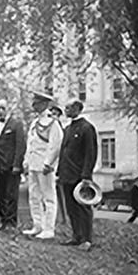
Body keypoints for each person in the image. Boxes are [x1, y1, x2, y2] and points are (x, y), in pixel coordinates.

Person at [56, 100, 98, 250]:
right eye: (65, 107)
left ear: (78, 109)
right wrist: (59, 172)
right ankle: (76, 236)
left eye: (69, 107)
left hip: (80, 177)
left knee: (84, 208)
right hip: (67, 175)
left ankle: (87, 239)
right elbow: (63, 153)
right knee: (71, 208)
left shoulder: (87, 128)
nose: (66, 109)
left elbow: (90, 153)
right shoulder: (67, 129)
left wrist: (86, 175)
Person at [23, 92, 64, 239]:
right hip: (33, 164)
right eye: (34, 102)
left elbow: (55, 145)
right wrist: (26, 162)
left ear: (45, 104)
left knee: (49, 197)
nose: (34, 105)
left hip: (44, 165)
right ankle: (37, 225)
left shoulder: (53, 122)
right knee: (34, 196)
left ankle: (48, 229)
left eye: (37, 103)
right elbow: (30, 144)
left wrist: (49, 163)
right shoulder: (35, 122)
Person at [0, 99, 27, 231]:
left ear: (8, 109)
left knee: (11, 194)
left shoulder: (16, 124)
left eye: (3, 108)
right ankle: (3, 219)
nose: (1, 111)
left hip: (10, 166)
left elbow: (20, 146)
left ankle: (11, 221)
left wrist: (17, 164)